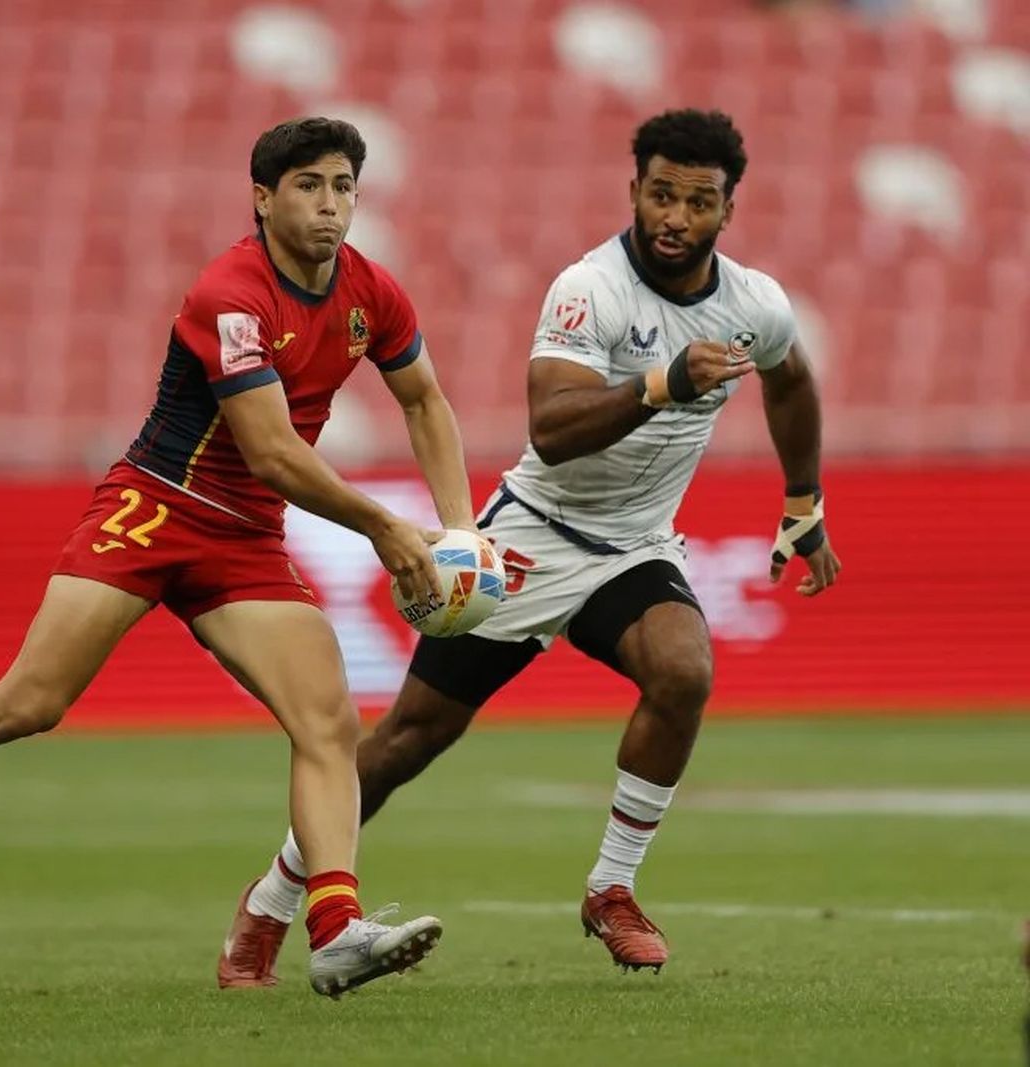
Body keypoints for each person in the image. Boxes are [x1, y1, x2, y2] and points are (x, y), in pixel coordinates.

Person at [0, 116, 484, 997]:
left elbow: (425, 400)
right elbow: (273, 452)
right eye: (309, 187)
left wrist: (459, 531)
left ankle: (334, 927)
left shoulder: (373, 290)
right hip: (155, 506)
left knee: (327, 719)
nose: (331, 207)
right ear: (263, 197)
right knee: (29, 701)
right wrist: (386, 527)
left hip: (244, 538)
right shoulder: (232, 293)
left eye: (343, 188)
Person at [217, 108, 843, 985]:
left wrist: (804, 496)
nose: (674, 217)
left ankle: (612, 889)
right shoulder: (588, 288)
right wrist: (662, 383)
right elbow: (551, 430)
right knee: (407, 742)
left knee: (684, 670)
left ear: (727, 210)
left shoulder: (755, 305)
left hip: (634, 548)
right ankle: (272, 903)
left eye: (697, 202)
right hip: (531, 538)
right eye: (659, 194)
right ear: (633, 190)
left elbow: (792, 382)